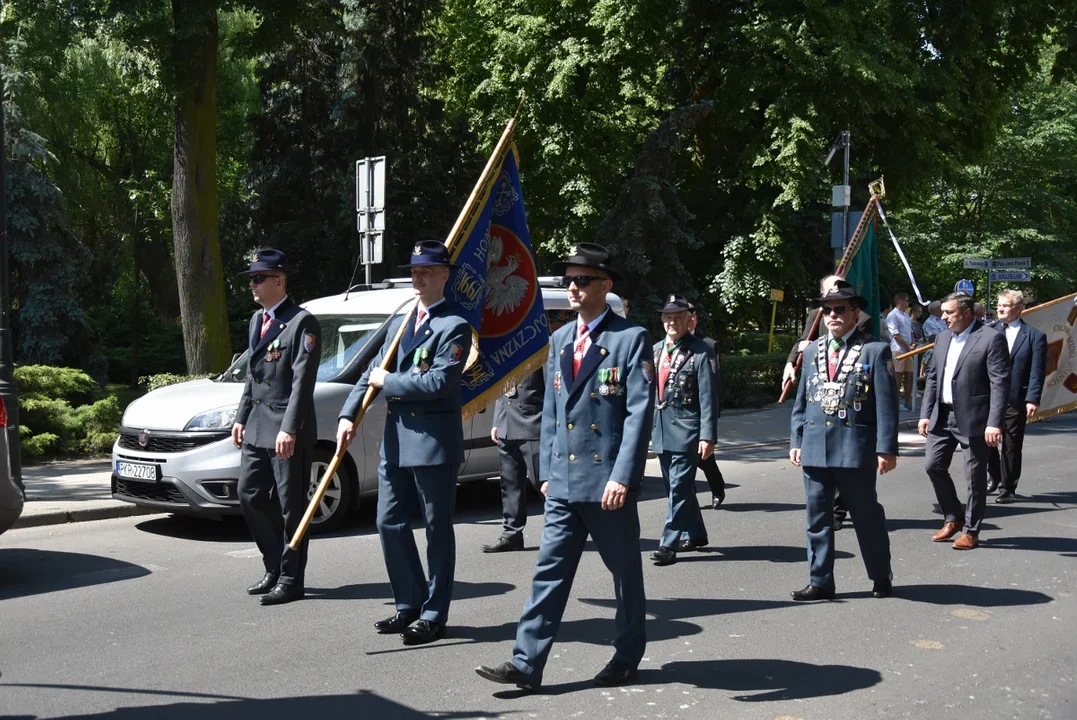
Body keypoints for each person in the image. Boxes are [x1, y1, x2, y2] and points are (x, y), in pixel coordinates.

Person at [476, 243, 655, 690]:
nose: (573, 288)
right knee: (548, 575)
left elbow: (638, 414)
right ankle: (526, 663)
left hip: (606, 483)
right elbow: (554, 412)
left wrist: (623, 475)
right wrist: (548, 473)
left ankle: (628, 654)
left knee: (624, 575)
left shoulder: (629, 338)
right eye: (568, 280)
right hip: (565, 483)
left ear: (605, 286)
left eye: (583, 280)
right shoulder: (558, 340)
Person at [336, 240, 471, 645]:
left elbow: (439, 382)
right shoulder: (402, 323)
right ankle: (408, 603)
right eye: (414, 271)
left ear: (444, 276)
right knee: (387, 522)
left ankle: (433, 613)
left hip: (433, 443)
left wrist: (388, 382)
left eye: (426, 271)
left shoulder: (455, 327)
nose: (418, 277)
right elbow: (370, 372)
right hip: (395, 442)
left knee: (436, 529)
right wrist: (348, 413)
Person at [789, 283, 898, 601]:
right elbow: (803, 399)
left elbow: (886, 403)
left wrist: (886, 448)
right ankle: (820, 581)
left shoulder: (874, 350)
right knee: (817, 518)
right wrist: (796, 439)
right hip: (814, 446)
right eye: (827, 310)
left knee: (866, 517)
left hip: (854, 448)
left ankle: (880, 575)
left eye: (840, 309)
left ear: (855, 313)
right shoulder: (810, 350)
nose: (832, 315)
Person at [231, 248, 321, 606]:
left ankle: (291, 578)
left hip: (287, 429)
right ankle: (273, 565)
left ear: (279, 281)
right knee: (249, 494)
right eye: (251, 278)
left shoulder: (302, 323)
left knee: (291, 507)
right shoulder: (257, 320)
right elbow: (253, 377)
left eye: (258, 278)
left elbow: (303, 381)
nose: (252, 284)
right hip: (256, 426)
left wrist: (290, 428)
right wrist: (240, 418)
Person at [918, 293, 1009, 550]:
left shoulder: (991, 338)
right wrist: (926, 413)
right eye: (943, 312)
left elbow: (1000, 382)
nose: (943, 317)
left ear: (967, 313)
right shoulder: (943, 337)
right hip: (942, 415)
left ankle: (971, 530)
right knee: (933, 466)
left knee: (974, 476)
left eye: (949, 312)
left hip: (975, 418)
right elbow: (933, 378)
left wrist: (994, 422)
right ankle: (953, 517)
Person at [483, 310, 572, 553]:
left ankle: (563, 529)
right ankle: (512, 533)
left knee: (543, 483)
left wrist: (551, 428)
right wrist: (497, 422)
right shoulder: (508, 349)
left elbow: (553, 394)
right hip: (507, 426)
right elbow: (502, 389)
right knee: (510, 484)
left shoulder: (542, 350)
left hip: (534, 425)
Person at [649, 294, 718, 566]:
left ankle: (668, 545)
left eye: (678, 317)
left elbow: (708, 397)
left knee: (678, 488)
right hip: (662, 431)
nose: (672, 322)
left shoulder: (701, 351)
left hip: (688, 431)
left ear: (689, 320)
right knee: (677, 487)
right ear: (662, 319)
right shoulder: (654, 350)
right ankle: (697, 534)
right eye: (668, 317)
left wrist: (707, 435)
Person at [986, 290, 1047, 503]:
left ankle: (1007, 487)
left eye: (1005, 305)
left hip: (1015, 398)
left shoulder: (1034, 336)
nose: (1000, 309)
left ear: (1019, 308)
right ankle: (994, 477)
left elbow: (1036, 371)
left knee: (1011, 445)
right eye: (999, 305)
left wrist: (1032, 398)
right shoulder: (988, 331)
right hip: (988, 398)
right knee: (987, 442)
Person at [688, 306, 726, 508]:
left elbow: (715, 382)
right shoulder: (669, 344)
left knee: (704, 458)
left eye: (693, 316)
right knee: (687, 459)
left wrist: (713, 414)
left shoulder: (708, 345)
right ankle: (689, 499)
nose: (690, 320)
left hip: (701, 414)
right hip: (681, 415)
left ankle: (718, 488)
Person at [886, 292, 916, 411]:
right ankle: (895, 403)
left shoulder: (906, 315)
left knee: (910, 375)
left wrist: (913, 343)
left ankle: (908, 402)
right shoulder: (892, 315)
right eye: (907, 301)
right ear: (900, 301)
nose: (908, 303)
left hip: (908, 350)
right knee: (897, 376)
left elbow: (910, 332)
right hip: (897, 350)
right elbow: (895, 335)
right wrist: (908, 347)